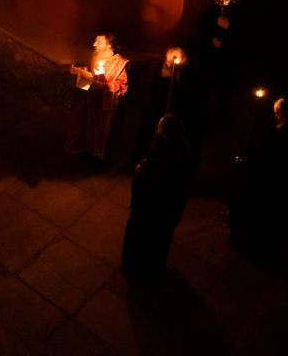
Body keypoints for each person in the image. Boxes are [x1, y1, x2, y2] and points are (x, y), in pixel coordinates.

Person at [227, 95, 288, 264]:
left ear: (287, 113)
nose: (275, 116)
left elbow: (270, 159)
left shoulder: (287, 135)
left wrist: (246, 165)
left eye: (278, 113)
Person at [121, 114, 196, 279]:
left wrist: (140, 172)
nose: (156, 129)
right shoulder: (183, 148)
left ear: (166, 133)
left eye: (159, 127)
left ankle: (136, 268)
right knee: (161, 240)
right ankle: (154, 268)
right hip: (171, 210)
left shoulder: (165, 154)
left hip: (153, 209)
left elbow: (156, 182)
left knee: (143, 238)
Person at [65, 32, 130, 162]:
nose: (94, 44)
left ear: (109, 44)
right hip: (89, 99)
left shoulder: (121, 63)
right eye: (95, 41)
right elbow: (91, 74)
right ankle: (85, 150)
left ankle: (98, 157)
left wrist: (103, 87)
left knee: (101, 131)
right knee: (85, 125)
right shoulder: (96, 57)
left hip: (105, 103)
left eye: (99, 42)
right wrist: (78, 71)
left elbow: (122, 85)